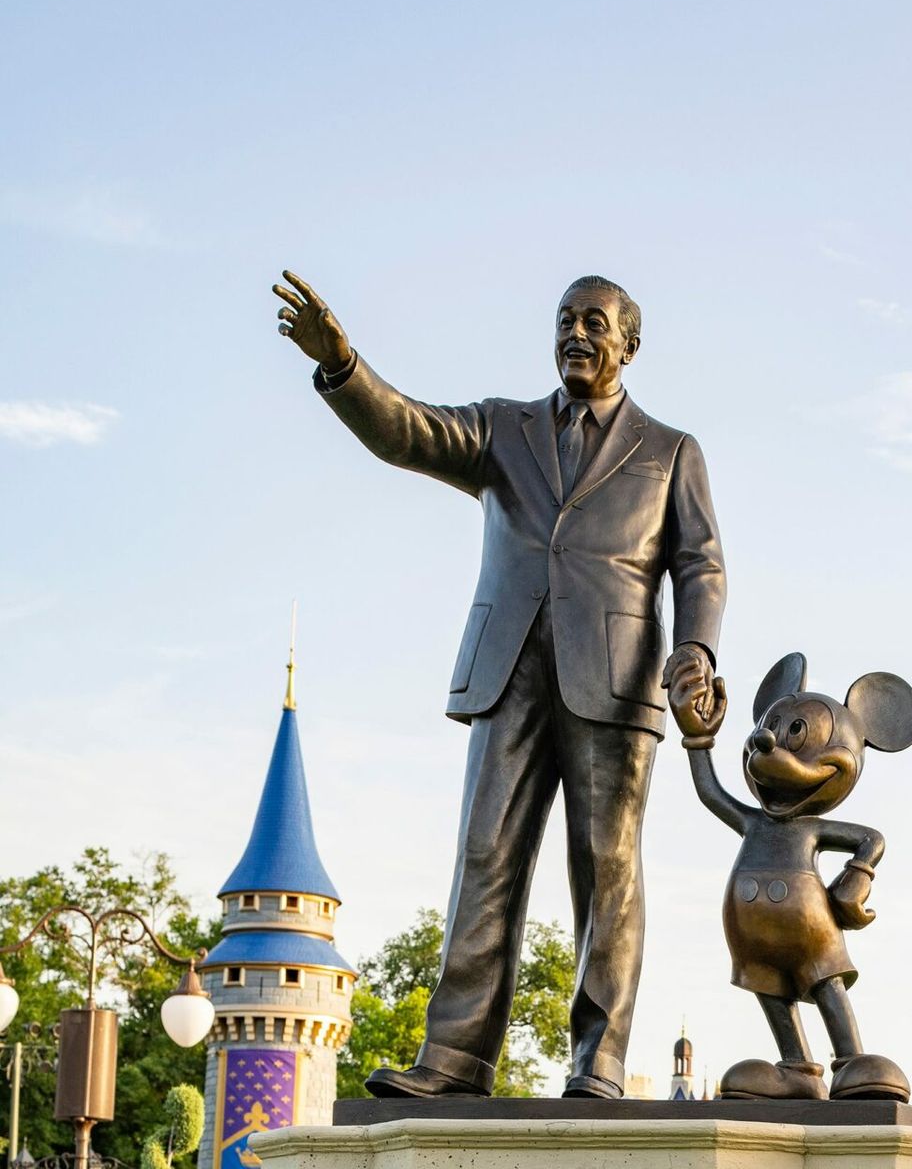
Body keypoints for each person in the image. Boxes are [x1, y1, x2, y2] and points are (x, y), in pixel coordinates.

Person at [273, 270, 725, 1099]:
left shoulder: (669, 451)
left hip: (618, 682)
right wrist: (344, 366)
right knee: (485, 856)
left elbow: (700, 564)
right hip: (508, 669)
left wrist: (695, 650)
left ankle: (600, 1060)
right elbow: (408, 430)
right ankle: (455, 1058)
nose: (576, 334)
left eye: (595, 321)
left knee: (607, 869)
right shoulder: (501, 429)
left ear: (630, 343)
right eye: (564, 320)